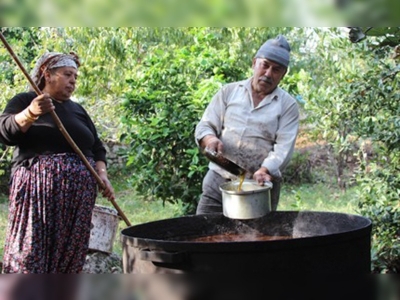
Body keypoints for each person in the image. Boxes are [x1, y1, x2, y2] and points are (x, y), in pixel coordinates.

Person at [0, 51, 115, 273]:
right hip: (38, 193)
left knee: (69, 254)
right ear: (47, 74)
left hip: (78, 199)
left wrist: (102, 175)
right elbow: (5, 133)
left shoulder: (77, 110)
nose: (73, 81)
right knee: (32, 251)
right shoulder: (25, 100)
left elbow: (97, 148)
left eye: (75, 77)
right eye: (67, 74)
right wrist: (31, 113)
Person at [195, 35, 300, 214]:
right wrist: (210, 139)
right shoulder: (229, 92)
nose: (268, 74)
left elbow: (283, 148)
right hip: (219, 180)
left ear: (284, 74)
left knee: (256, 240)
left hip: (260, 186)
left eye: (276, 70)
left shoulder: (287, 105)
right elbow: (205, 125)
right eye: (265, 65)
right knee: (204, 234)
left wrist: (265, 169)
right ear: (254, 63)